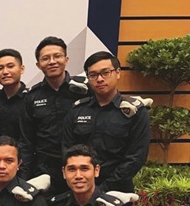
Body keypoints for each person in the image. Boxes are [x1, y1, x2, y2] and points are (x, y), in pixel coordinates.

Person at [62, 51, 151, 192]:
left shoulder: (135, 112)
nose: (99, 79)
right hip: (80, 189)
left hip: (118, 191)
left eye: (105, 73)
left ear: (118, 73)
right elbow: (67, 150)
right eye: (93, 75)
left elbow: (136, 157)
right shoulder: (77, 110)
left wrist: (103, 188)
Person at [19, 36, 90, 195]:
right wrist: (24, 178)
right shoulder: (32, 97)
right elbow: (26, 141)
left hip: (80, 168)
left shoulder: (84, 91)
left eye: (57, 56)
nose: (52, 62)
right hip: (44, 169)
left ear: (66, 59)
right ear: (38, 65)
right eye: (45, 58)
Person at [0, 49, 28, 141]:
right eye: (0, 68)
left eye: (10, 66)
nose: (5, 72)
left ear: (22, 69)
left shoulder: (30, 99)